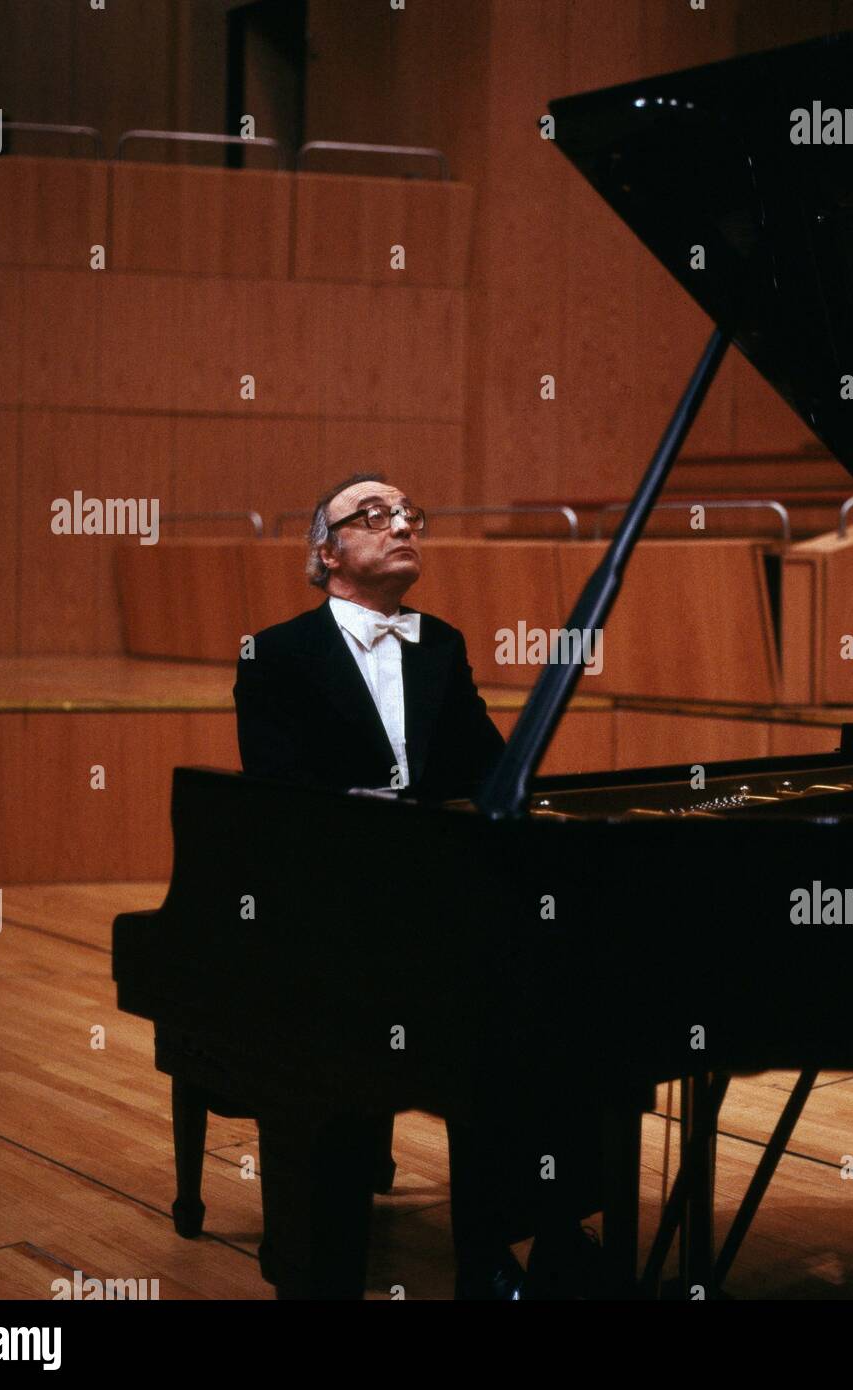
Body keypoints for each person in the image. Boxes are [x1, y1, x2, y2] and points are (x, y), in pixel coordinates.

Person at [234, 473, 602, 1299]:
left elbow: (488, 771)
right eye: (373, 515)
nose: (400, 524)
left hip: (440, 902)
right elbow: (281, 800)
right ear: (325, 550)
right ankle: (326, 1259)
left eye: (408, 514)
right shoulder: (277, 653)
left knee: (557, 990)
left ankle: (525, 1237)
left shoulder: (440, 642)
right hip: (337, 913)